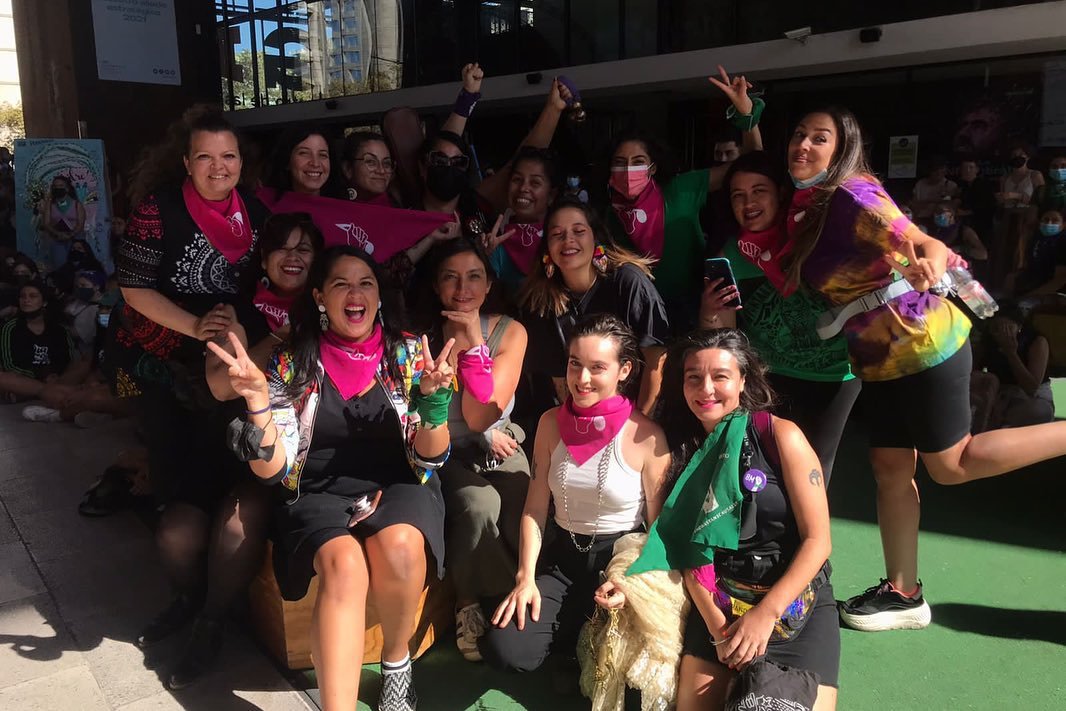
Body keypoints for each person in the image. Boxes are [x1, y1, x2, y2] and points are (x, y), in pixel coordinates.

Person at [782, 107, 1066, 633]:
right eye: (799, 135)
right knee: (891, 467)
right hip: (879, 357)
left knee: (951, 464)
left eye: (819, 138)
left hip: (923, 340)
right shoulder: (810, 206)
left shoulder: (853, 195)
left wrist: (932, 258)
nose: (804, 145)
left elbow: (921, 240)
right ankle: (903, 593)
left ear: (842, 150)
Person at [208, 245, 456, 711]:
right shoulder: (291, 362)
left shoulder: (408, 355)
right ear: (320, 297)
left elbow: (430, 458)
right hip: (316, 489)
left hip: (399, 480)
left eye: (365, 283)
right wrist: (258, 403)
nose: (355, 294)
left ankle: (397, 666)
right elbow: (275, 471)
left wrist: (434, 402)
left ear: (379, 296)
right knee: (344, 566)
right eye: (341, 284)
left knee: (402, 547)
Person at [115, 106, 271, 688]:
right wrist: (195, 326)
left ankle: (213, 619)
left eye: (228, 156)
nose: (217, 167)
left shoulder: (256, 214)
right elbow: (133, 288)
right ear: (185, 161)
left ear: (241, 163)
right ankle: (190, 598)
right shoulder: (159, 210)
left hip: (235, 366)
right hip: (166, 368)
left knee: (237, 484)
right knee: (177, 514)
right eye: (205, 156)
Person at [624, 329, 838, 710]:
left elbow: (818, 541)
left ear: (743, 380)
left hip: (794, 602)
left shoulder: (780, 436)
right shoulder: (677, 450)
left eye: (720, 376)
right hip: (721, 600)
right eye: (693, 377)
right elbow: (685, 549)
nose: (706, 388)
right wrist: (717, 629)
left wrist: (766, 614)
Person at [480, 314, 670, 677]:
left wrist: (631, 583)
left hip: (620, 563)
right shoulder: (550, 423)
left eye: (597, 367)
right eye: (575, 364)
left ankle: (577, 638)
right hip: (564, 559)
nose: (582, 379)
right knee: (505, 649)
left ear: (624, 370)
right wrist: (525, 578)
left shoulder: (647, 436)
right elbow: (535, 508)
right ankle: (573, 636)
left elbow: (661, 529)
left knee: (624, 673)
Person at [700, 151, 859, 480]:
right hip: (769, 376)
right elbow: (726, 339)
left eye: (759, 191)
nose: (748, 202)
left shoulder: (812, 240)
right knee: (769, 468)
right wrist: (710, 311)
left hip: (832, 375)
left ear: (782, 194)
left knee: (814, 469)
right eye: (738, 195)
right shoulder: (730, 257)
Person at [415, 237, 530, 662]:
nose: (463, 288)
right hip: (442, 445)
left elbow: (484, 414)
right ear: (435, 286)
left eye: (474, 276)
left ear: (489, 284)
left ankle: (518, 592)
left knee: (521, 499)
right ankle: (469, 601)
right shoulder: (420, 337)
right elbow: (429, 414)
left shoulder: (509, 330)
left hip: (497, 438)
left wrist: (474, 342)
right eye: (451, 277)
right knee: (478, 504)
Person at [606, 66, 762, 330]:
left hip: (693, 309)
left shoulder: (680, 189)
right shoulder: (609, 211)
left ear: (653, 167)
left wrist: (747, 115)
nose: (628, 169)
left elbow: (753, 164)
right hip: (638, 316)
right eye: (620, 162)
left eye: (638, 161)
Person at [519, 198, 670, 414]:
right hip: (583, 415)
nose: (568, 240)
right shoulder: (542, 302)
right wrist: (580, 422)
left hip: (641, 412)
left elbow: (657, 359)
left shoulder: (628, 282)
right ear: (547, 248)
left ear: (595, 238)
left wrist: (639, 421)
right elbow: (561, 381)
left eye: (578, 231)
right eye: (557, 234)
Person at [971, 302, 1054, 430]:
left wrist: (1011, 353)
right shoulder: (988, 341)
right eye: (996, 328)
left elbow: (1031, 387)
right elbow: (973, 373)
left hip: (1031, 397)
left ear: (1019, 327)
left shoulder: (1036, 341)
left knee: (1040, 411)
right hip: (998, 395)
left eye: (1007, 328)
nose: (1002, 334)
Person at [0, 281, 78, 401]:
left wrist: (53, 374)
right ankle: (49, 391)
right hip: (25, 378)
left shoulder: (59, 329)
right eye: (22, 296)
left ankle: (33, 393)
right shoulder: (10, 327)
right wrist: (40, 375)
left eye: (33, 296)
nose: (26, 300)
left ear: (44, 302)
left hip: (56, 378)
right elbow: (9, 365)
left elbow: (68, 359)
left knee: (84, 363)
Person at [261, 126, 341, 202]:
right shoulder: (264, 207)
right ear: (287, 161)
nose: (315, 163)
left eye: (322, 155)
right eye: (304, 153)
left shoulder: (343, 208)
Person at [38, 174, 86, 268]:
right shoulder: (49, 205)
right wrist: (58, 234)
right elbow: (46, 223)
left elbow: (81, 224)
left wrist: (70, 235)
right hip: (57, 240)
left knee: (77, 265)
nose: (58, 188)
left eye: (61, 186)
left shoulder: (77, 204)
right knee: (60, 266)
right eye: (55, 186)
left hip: (76, 240)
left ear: (67, 188)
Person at [340, 131, 397, 205]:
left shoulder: (399, 207)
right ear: (348, 169)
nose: (382, 171)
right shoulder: (335, 208)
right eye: (371, 162)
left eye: (386, 163)